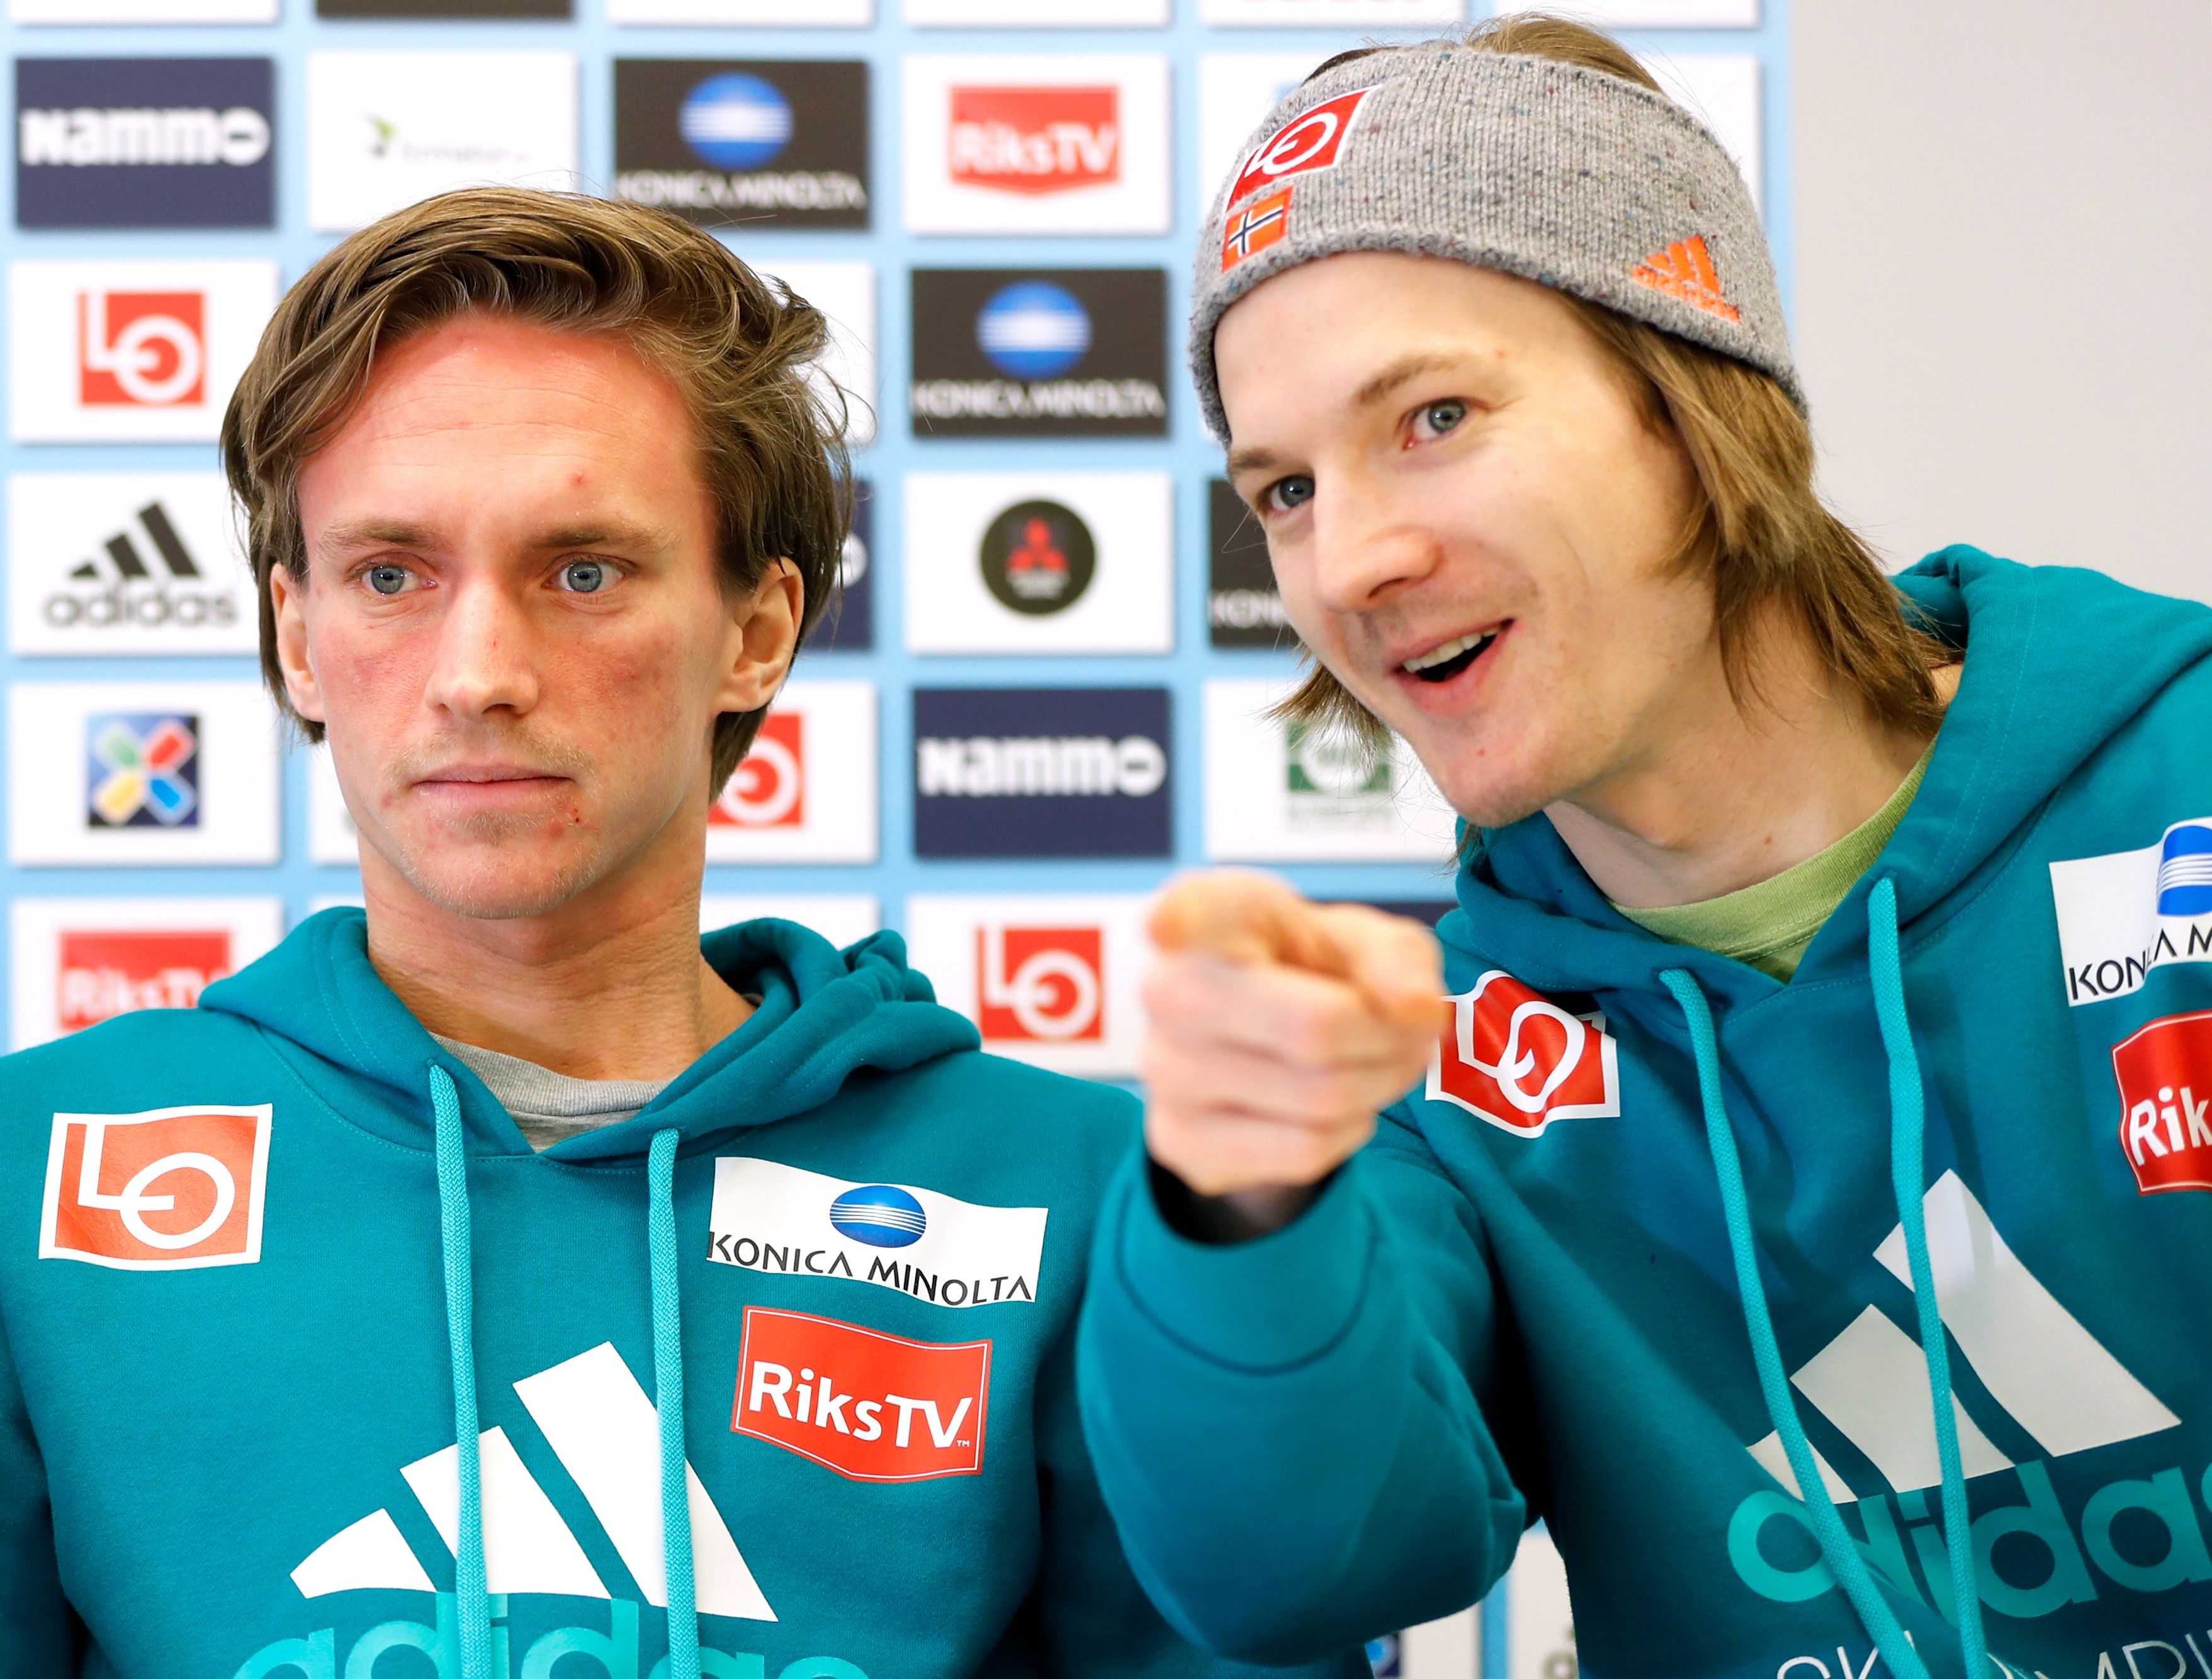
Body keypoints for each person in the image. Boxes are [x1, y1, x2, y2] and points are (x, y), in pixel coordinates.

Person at [0, 188, 1363, 1679]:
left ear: (756, 631)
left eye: (582, 571)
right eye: (391, 576)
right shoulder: (34, 1165)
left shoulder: (1073, 1190)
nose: (478, 672)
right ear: (296, 634)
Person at [1076, 20, 2212, 1679]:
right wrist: (1235, 1208)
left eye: (1434, 415)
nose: (1353, 559)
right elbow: (1291, 1572)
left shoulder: (2179, 788)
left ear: (1692, 398)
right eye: (1286, 491)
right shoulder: (1435, 1067)